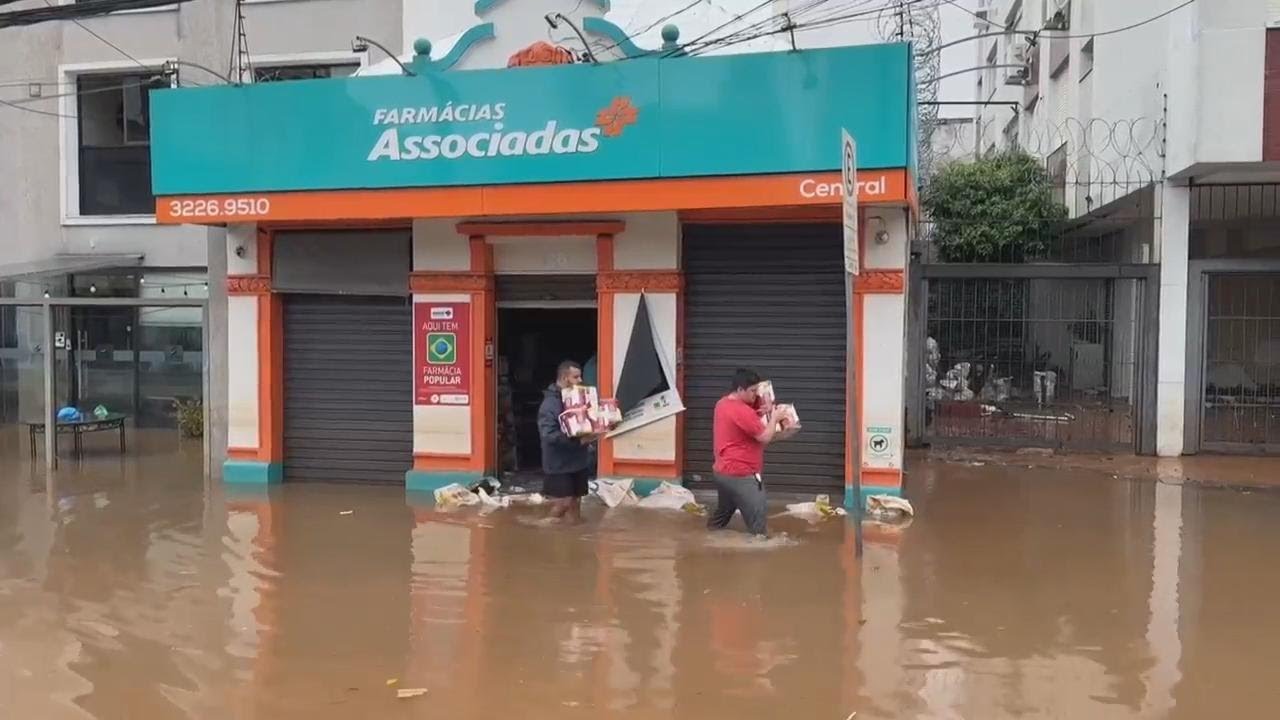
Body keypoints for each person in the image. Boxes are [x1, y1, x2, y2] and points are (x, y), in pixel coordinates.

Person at [707, 368, 797, 537]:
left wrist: (762, 410)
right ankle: (759, 555)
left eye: (757, 390)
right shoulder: (742, 411)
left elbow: (743, 422)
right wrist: (776, 418)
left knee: (721, 516)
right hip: (741, 474)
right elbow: (764, 437)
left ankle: (707, 539)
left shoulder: (722, 404)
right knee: (758, 521)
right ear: (740, 389)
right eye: (752, 391)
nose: (756, 395)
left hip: (722, 471)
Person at [538, 360, 597, 523]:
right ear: (564, 378)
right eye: (576, 377)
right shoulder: (550, 404)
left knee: (576, 502)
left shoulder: (579, 399)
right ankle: (540, 528)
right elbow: (548, 434)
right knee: (564, 502)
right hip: (558, 463)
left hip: (578, 460)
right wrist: (578, 442)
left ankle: (574, 539)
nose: (580, 381)